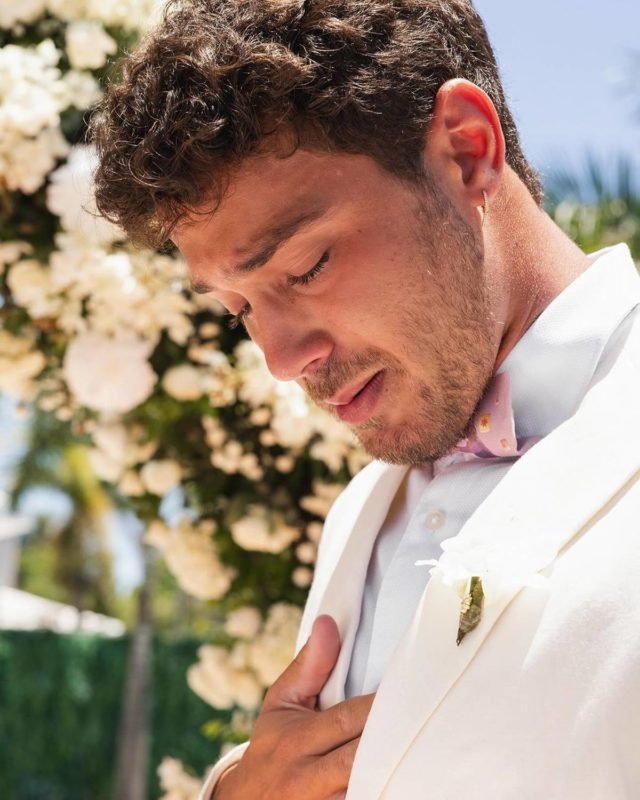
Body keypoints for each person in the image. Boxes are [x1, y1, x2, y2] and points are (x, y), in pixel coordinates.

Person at [90, 0, 640, 797]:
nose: (280, 360)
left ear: (466, 149)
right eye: (239, 309)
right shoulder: (359, 512)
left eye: (307, 267)